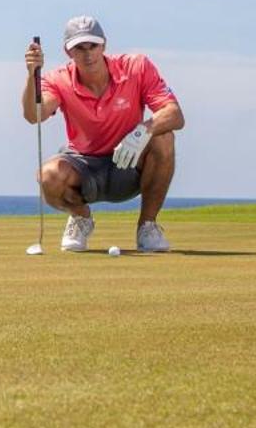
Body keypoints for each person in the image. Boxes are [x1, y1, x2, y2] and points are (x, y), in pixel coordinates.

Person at [22, 15, 185, 253]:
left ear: (104, 45)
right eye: (79, 48)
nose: (88, 54)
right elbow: (33, 115)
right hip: (83, 166)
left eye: (93, 46)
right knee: (48, 177)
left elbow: (175, 114)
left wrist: (141, 131)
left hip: (129, 163)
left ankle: (147, 226)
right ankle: (80, 218)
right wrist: (31, 75)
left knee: (163, 136)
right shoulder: (57, 79)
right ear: (68, 52)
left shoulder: (137, 66)